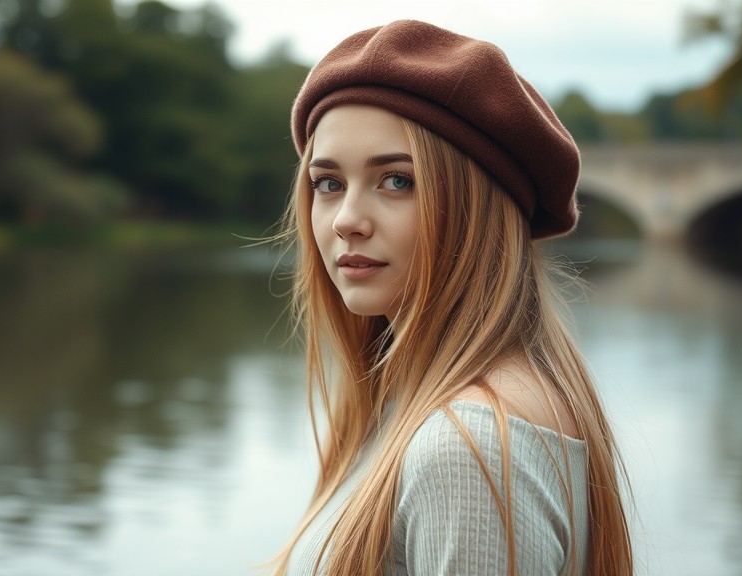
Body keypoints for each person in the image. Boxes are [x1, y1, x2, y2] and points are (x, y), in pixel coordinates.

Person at [268, 20, 633, 576]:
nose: (346, 221)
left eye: (397, 181)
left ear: (476, 208)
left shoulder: (469, 445)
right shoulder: (423, 404)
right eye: (328, 183)